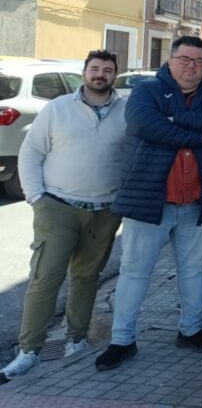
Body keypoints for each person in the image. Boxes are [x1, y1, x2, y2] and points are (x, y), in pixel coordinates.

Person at [95, 36, 202, 371]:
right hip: (150, 201)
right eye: (185, 59)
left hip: (197, 203)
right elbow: (145, 125)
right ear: (171, 60)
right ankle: (122, 340)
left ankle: (190, 330)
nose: (192, 67)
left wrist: (176, 120)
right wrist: (199, 134)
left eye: (199, 61)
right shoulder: (146, 92)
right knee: (135, 272)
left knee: (194, 271)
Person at [0, 51, 125, 384]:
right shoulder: (58, 108)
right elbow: (31, 152)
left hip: (104, 211)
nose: (100, 74)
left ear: (114, 75)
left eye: (107, 70)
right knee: (45, 278)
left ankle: (76, 341)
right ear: (84, 73)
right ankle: (29, 351)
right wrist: (37, 198)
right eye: (95, 69)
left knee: (86, 278)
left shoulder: (127, 111)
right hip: (58, 207)